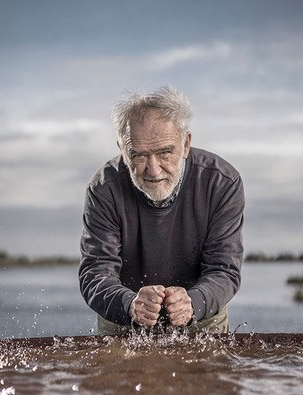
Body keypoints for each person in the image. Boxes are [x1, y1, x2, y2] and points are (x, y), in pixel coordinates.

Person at [79, 86, 245, 335]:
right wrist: (129, 304)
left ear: (186, 144)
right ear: (123, 150)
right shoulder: (103, 190)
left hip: (203, 313)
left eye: (165, 152)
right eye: (139, 155)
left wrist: (193, 303)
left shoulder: (222, 182)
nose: (154, 170)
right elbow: (95, 272)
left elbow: (224, 270)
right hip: (124, 313)